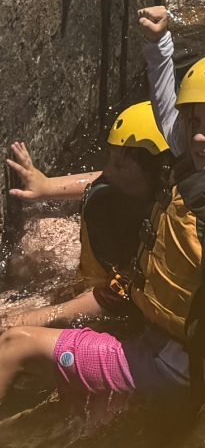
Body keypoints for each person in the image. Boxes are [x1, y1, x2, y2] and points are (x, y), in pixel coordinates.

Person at [0, 15, 205, 404]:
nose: (198, 135)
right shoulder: (194, 168)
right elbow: (170, 119)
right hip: (155, 332)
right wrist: (159, 45)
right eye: (195, 121)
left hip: (174, 362)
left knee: (13, 343)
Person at [3, 103, 169, 327]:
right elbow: (103, 178)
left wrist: (24, 318)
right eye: (110, 159)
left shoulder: (155, 237)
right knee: (37, 236)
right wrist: (46, 186)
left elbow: (108, 297)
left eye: (118, 166)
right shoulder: (141, 185)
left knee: (7, 321)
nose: (108, 172)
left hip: (115, 301)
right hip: (98, 274)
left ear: (157, 177)